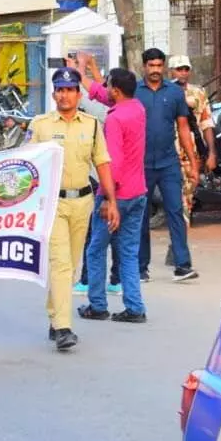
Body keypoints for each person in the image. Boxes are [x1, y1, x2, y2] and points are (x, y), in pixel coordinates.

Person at [79, 49, 199, 282]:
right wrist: (84, 69)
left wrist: (193, 162)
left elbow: (183, 128)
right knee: (141, 216)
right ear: (144, 66)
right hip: (140, 166)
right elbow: (102, 93)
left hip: (168, 163)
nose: (155, 70)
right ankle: (141, 268)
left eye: (159, 65)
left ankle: (182, 265)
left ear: (164, 67)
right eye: (151, 65)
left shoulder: (174, 93)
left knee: (176, 211)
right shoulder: (134, 94)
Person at [26, 67, 117, 352]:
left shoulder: (91, 125)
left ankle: (55, 316)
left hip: (83, 202)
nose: (64, 95)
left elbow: (102, 162)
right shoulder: (40, 125)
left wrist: (110, 200)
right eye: (59, 90)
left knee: (72, 264)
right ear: (53, 94)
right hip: (52, 203)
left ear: (79, 94)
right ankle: (64, 327)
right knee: (61, 263)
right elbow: (27, 164)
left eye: (69, 90)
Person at [79, 68, 148, 323]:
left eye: (109, 86)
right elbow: (104, 95)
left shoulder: (115, 119)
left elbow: (113, 163)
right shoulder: (138, 108)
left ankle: (97, 304)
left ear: (116, 90)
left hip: (116, 193)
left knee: (96, 249)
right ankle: (135, 307)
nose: (105, 89)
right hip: (138, 191)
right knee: (128, 252)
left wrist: (110, 200)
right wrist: (83, 70)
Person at [169, 55, 216, 234]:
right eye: (179, 69)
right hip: (169, 150)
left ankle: (181, 234)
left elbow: (206, 123)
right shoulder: (164, 92)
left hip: (191, 152)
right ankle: (179, 235)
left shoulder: (198, 93)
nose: (183, 73)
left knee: (188, 192)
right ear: (171, 71)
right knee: (173, 194)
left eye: (186, 69)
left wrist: (211, 152)